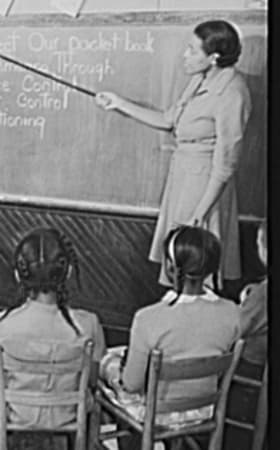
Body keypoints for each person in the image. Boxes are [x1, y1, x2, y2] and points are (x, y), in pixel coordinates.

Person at [95, 20, 251, 288]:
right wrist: (119, 103)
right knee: (178, 262)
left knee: (196, 265)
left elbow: (226, 165)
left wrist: (201, 213)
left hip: (205, 189)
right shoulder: (199, 80)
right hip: (182, 179)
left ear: (213, 58)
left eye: (192, 50)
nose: (185, 55)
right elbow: (169, 120)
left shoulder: (232, 93)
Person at [99, 226, 240, 430]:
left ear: (170, 267)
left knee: (106, 362)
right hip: (204, 409)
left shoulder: (148, 318)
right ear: (211, 267)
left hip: (157, 414)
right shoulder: (232, 313)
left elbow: (132, 385)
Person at [0, 227, 106, 431]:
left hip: (14, 414)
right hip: (70, 414)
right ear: (68, 272)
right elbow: (92, 379)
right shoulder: (89, 324)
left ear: (18, 275)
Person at [237, 219, 267, 374]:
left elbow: (238, 329)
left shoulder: (261, 294)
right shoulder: (259, 291)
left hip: (252, 365)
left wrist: (245, 304)